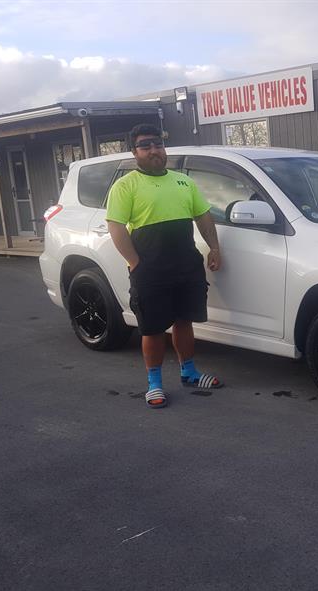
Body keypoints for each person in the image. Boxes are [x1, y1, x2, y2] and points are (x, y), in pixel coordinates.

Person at [106, 123, 222, 408]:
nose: (153, 150)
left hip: (186, 265)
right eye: (145, 146)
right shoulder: (126, 186)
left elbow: (203, 215)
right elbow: (116, 227)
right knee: (152, 328)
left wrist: (214, 247)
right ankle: (154, 384)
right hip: (150, 269)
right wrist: (135, 263)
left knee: (184, 320)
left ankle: (189, 373)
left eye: (157, 144)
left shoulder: (184, 182)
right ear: (134, 152)